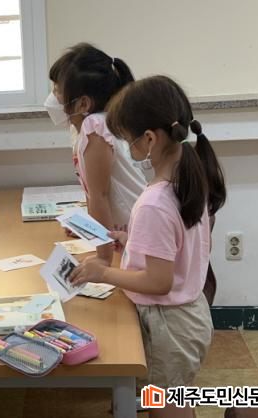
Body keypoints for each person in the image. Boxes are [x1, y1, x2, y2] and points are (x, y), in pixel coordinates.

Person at [70, 75, 226, 418]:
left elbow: (158, 281)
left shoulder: (155, 202)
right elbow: (181, 246)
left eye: (129, 141)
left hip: (171, 324)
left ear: (150, 139)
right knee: (174, 400)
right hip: (187, 316)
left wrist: (103, 273)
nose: (128, 149)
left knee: (167, 406)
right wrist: (133, 242)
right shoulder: (187, 178)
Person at [44, 43, 148, 261]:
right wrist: (89, 226)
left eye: (58, 90)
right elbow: (95, 194)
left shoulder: (95, 127)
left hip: (139, 233)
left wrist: (103, 258)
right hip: (128, 231)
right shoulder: (89, 126)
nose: (53, 97)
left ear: (83, 103)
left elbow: (100, 196)